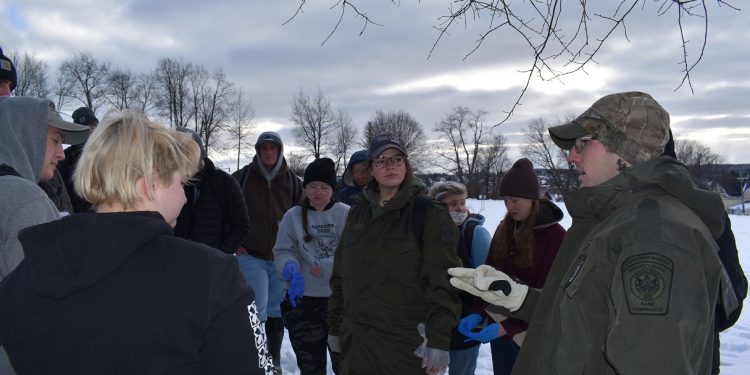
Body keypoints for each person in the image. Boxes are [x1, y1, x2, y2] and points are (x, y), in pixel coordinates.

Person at [449, 91, 732, 374]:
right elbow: (589, 317)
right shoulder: (615, 220)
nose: (572, 156)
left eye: (583, 143)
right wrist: (519, 299)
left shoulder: (653, 234)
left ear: (624, 148)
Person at [0, 110, 273, 374]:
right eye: (181, 183)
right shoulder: (212, 276)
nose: (184, 197)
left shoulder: (29, 272)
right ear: (152, 182)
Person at [328, 132, 461, 375]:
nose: (390, 166)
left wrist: (438, 339)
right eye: (381, 160)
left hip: (404, 349)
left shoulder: (429, 214)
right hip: (356, 346)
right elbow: (341, 274)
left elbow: (443, 282)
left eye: (396, 159)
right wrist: (335, 326)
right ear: (372, 169)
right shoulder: (358, 213)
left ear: (406, 165)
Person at [458, 158, 565, 375]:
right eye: (505, 200)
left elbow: (550, 299)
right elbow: (489, 275)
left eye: (515, 200)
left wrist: (508, 328)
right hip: (500, 329)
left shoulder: (556, 236)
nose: (509, 207)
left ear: (532, 198)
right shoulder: (504, 229)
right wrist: (478, 311)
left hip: (534, 335)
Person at [662, 130, 747, 375]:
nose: (574, 157)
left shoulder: (695, 202)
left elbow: (730, 296)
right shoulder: (698, 195)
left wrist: (691, 328)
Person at [233, 131, 303, 373]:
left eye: (273, 148)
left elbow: (303, 217)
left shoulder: (294, 182)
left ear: (280, 150)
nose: (269, 152)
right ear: (258, 151)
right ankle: (257, 358)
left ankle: (273, 360)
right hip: (251, 254)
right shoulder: (241, 179)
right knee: (257, 308)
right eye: (264, 148)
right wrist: (235, 243)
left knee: (274, 309)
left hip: (280, 258)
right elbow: (225, 210)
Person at [274, 157, 349, 375]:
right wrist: (290, 267)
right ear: (305, 188)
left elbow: (353, 254)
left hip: (339, 302)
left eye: (324, 187)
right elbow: (282, 250)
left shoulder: (345, 213)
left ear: (332, 190)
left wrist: (325, 266)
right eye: (312, 186)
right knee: (310, 366)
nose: (318, 191)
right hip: (304, 302)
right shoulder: (293, 216)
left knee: (345, 364)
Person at [427, 181, 492, 375]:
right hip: (432, 323)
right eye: (452, 203)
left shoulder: (475, 234)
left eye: (462, 202)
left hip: (466, 323)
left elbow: (489, 282)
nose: (460, 208)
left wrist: (481, 316)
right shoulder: (425, 235)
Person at [173, 127, 250, 254]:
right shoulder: (172, 182)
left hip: (211, 264)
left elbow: (242, 225)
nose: (184, 164)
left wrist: (220, 253)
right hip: (176, 260)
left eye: (188, 155)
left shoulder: (225, 182)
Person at [57, 106, 99, 213]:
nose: (88, 133)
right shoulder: (63, 158)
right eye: (83, 129)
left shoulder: (105, 155)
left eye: (91, 128)